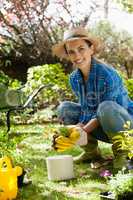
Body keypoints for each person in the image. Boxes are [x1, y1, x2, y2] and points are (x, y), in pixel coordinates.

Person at [52, 27, 133, 169]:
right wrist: (70, 131)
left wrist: (81, 131)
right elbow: (86, 110)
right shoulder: (74, 79)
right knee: (64, 109)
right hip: (103, 124)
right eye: (71, 52)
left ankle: (124, 155)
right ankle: (91, 153)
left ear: (91, 49)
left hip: (126, 126)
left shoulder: (108, 75)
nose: (77, 55)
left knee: (105, 106)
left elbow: (106, 110)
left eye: (81, 49)